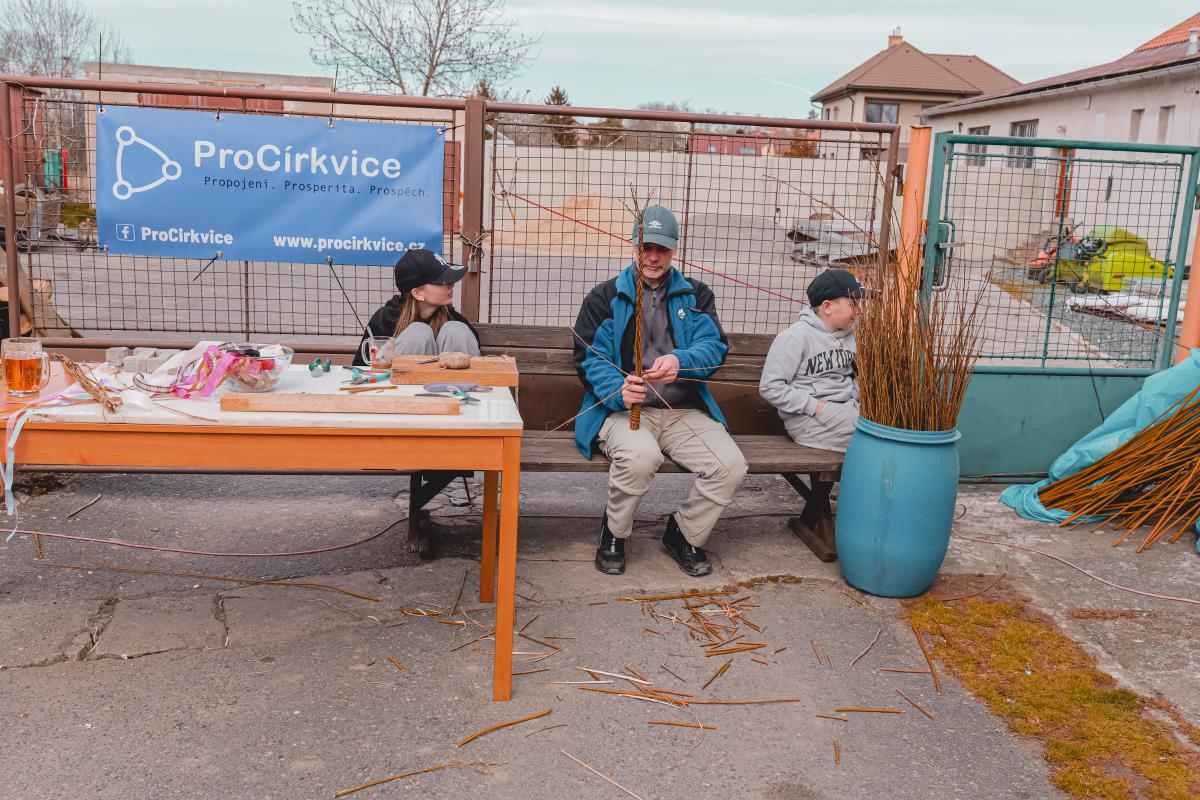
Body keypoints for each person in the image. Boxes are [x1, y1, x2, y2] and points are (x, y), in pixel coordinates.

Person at [573, 205, 747, 577]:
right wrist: (619, 389)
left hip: (683, 409)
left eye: (661, 249)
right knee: (640, 457)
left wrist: (681, 360)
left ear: (674, 250)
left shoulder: (696, 294)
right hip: (622, 411)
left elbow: (713, 346)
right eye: (646, 247)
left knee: (730, 466)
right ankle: (614, 532)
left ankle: (684, 533)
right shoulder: (605, 297)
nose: (653, 257)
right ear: (633, 246)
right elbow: (589, 358)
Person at [759, 268, 865, 453]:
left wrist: (855, 395)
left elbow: (853, 376)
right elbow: (770, 387)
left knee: (884, 426)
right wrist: (815, 407)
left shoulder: (850, 336)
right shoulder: (796, 337)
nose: (858, 311)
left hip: (845, 410)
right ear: (827, 307)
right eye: (853, 304)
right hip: (808, 418)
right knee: (873, 437)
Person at [353, 248, 480, 366]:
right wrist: (385, 357)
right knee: (418, 333)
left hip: (452, 382)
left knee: (456, 330)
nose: (452, 285)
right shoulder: (386, 319)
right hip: (398, 380)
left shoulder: (452, 318)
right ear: (418, 293)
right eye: (442, 281)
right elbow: (363, 367)